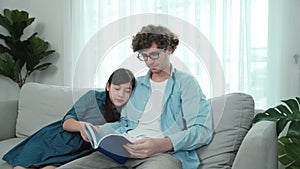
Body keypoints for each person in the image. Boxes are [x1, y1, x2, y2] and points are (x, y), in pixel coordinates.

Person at [58, 24, 213, 169]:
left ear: (169, 49)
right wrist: (98, 131)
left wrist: (161, 144)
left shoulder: (186, 83)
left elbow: (202, 131)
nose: (149, 61)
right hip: (122, 151)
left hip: (163, 154)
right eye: (144, 56)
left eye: (154, 54)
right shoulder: (136, 85)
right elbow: (125, 123)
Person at [2, 68, 136, 169]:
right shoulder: (93, 97)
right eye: (117, 88)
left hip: (78, 151)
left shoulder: (128, 113)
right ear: (108, 86)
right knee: (22, 167)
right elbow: (66, 122)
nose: (121, 95)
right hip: (56, 139)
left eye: (127, 90)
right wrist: (82, 126)